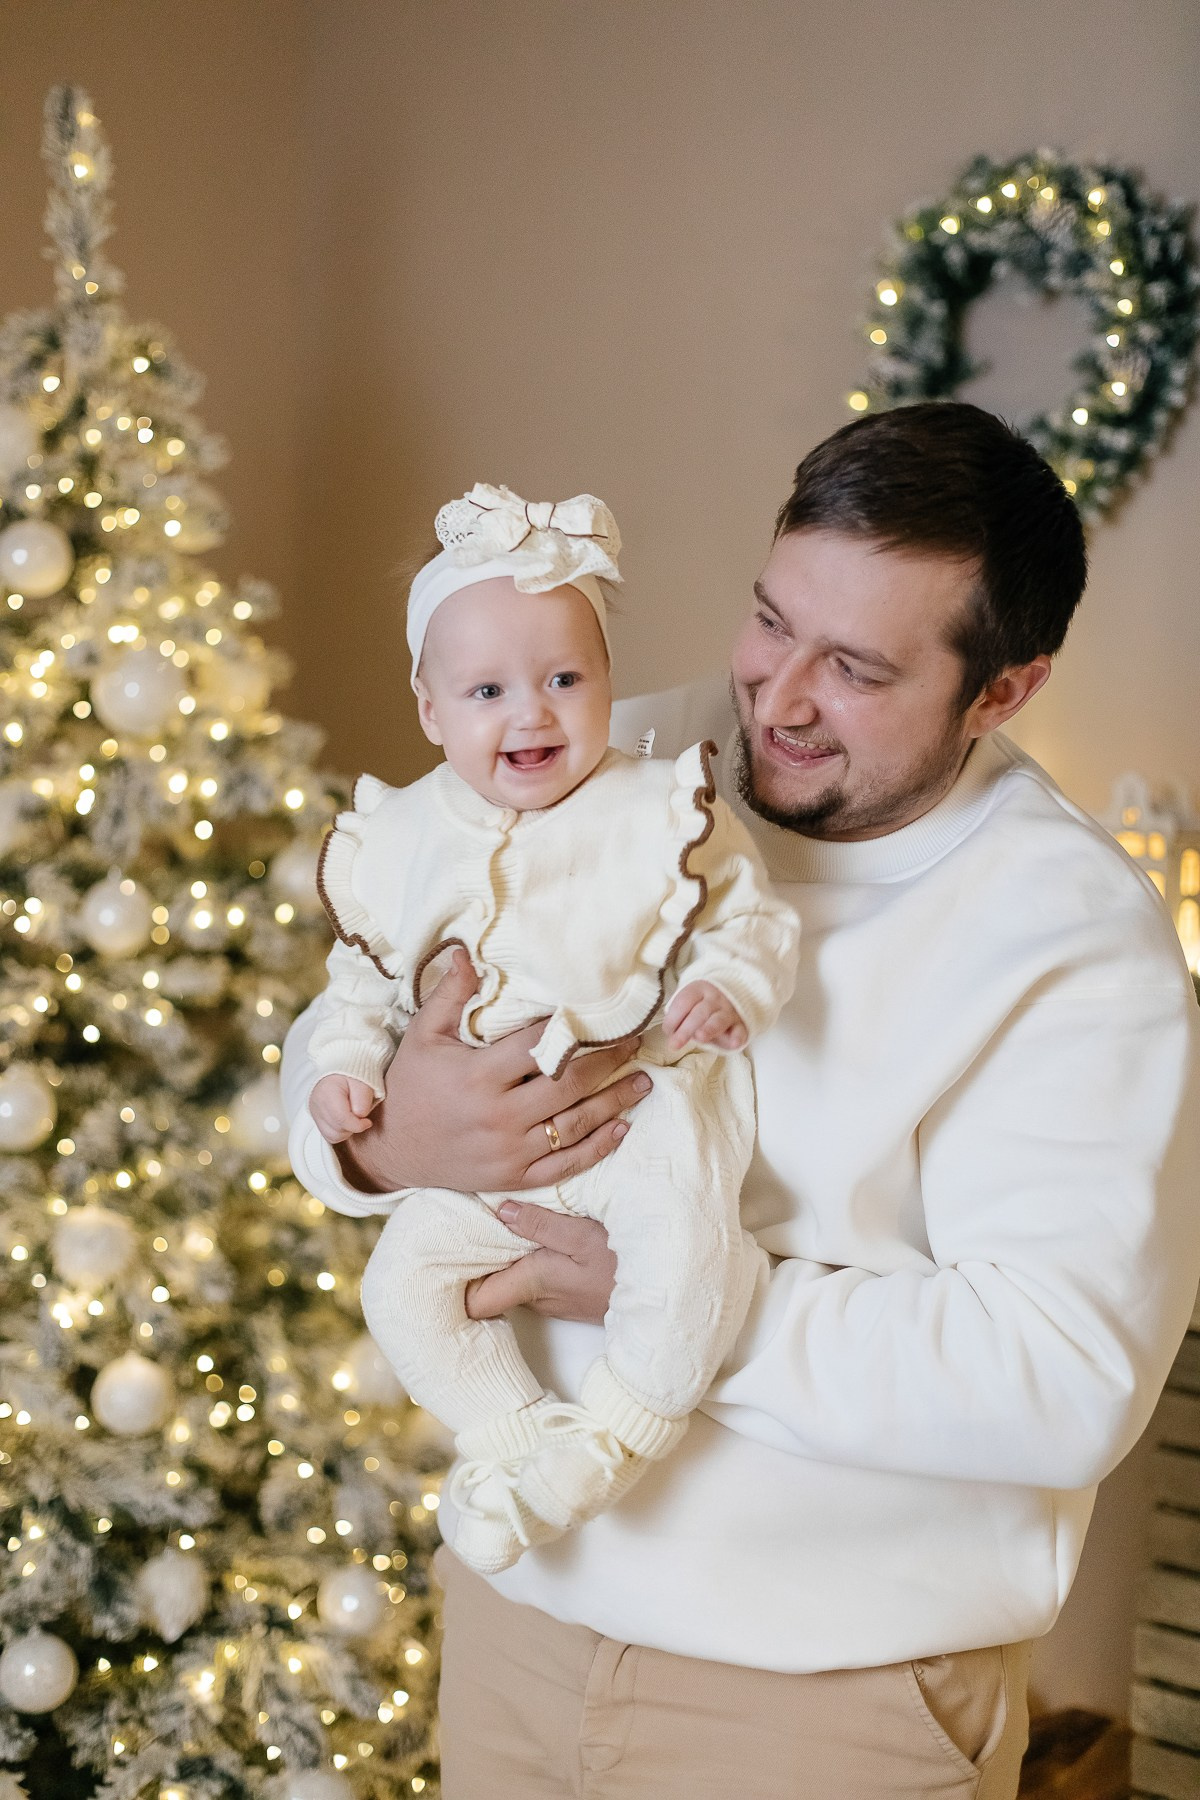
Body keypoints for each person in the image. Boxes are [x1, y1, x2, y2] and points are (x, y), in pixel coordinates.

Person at [283, 404, 1200, 1800]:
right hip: (522, 1618)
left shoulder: (1073, 944)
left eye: (856, 669)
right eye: (772, 621)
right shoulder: (627, 763)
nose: (777, 698)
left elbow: (1056, 1379)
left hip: (826, 1703)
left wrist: (676, 1295)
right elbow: (349, 999)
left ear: (1002, 691)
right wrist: (389, 1136)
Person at [305, 483, 799, 1579]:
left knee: (687, 1250)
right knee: (400, 1287)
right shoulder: (403, 838)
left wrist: (733, 988)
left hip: (635, 1114)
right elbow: (358, 991)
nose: (530, 714)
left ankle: (617, 1436)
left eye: (565, 680)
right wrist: (348, 1076)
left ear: (607, 682)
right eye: (487, 691)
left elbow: (751, 920)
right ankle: (519, 1442)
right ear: (430, 710)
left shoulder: (656, 811)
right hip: (473, 1169)